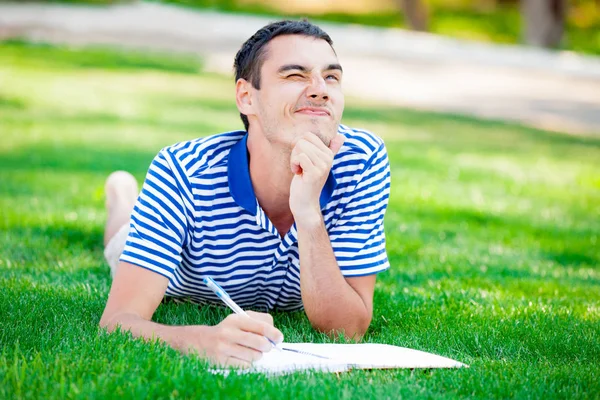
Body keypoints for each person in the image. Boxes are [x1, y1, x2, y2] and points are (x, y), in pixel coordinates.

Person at [99, 20, 391, 368]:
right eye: (295, 75)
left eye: (331, 77)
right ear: (246, 96)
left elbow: (347, 330)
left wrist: (308, 211)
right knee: (120, 237)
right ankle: (122, 194)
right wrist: (204, 341)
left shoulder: (362, 160)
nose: (320, 89)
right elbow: (118, 322)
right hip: (180, 276)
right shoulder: (182, 171)